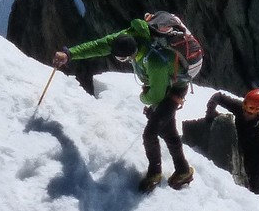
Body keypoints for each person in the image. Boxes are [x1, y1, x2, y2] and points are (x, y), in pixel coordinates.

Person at [54, 11, 205, 191]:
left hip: (174, 87)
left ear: (129, 55)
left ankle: (155, 173)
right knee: (166, 128)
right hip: (163, 80)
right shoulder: (129, 36)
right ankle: (183, 171)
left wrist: (143, 96)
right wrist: (70, 54)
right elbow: (100, 45)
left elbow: (156, 95)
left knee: (151, 134)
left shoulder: (154, 61)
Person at [205, 87, 259, 194]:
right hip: (239, 147)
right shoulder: (242, 108)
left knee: (252, 190)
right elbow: (218, 97)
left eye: (250, 112)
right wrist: (210, 114)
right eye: (245, 109)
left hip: (254, 160)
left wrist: (255, 191)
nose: (246, 114)